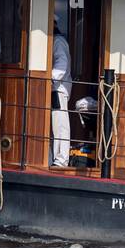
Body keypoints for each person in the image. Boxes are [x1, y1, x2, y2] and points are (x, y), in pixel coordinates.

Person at [51, 16, 71, 167]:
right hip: (53, 88)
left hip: (58, 89)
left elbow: (61, 65)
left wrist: (49, 80)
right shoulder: (53, 41)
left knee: (60, 125)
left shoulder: (58, 41)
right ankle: (53, 158)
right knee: (53, 125)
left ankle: (62, 160)